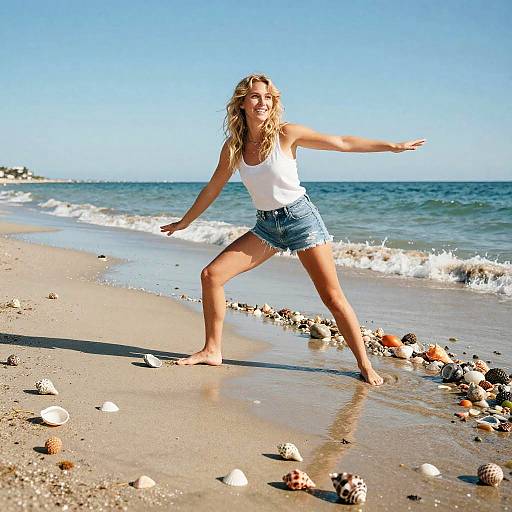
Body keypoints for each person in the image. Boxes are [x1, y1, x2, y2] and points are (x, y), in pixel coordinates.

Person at [160, 73, 426, 386]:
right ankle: (212, 350)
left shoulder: (286, 134)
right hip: (267, 226)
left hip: (301, 220)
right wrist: (185, 221)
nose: (263, 103)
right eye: (256, 97)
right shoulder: (234, 147)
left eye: (268, 97)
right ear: (242, 103)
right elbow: (212, 188)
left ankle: (366, 366)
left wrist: (391, 146)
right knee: (211, 275)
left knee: (332, 298)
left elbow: (341, 142)